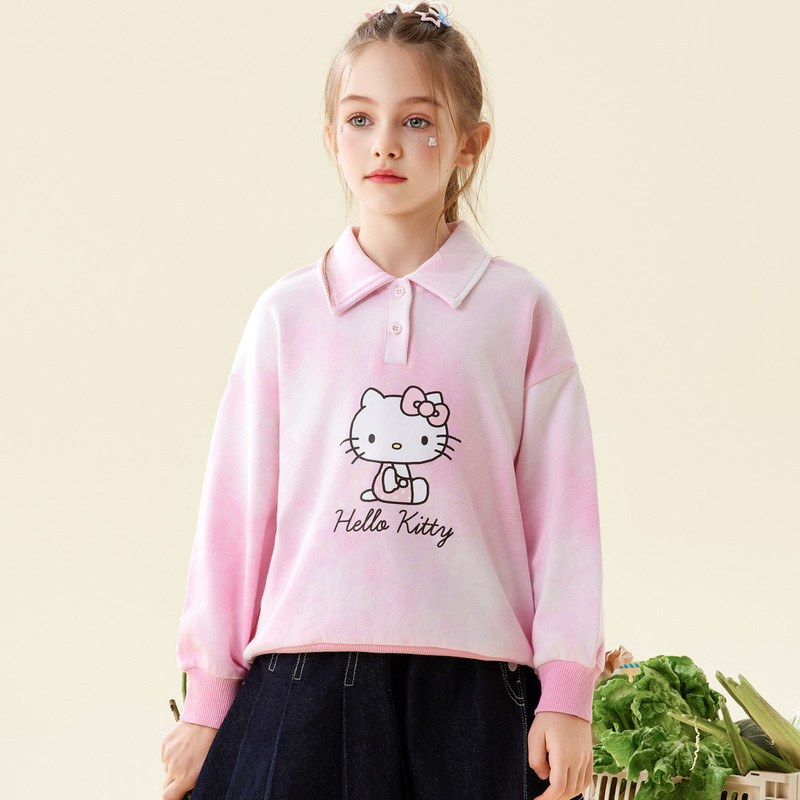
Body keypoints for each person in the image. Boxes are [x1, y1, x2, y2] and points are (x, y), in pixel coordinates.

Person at [160, 3, 604, 799]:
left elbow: (563, 520)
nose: (385, 143)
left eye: (417, 120)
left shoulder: (519, 312)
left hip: (474, 691)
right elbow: (234, 517)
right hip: (300, 684)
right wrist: (207, 699)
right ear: (332, 138)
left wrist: (567, 692)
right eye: (360, 118)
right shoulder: (287, 316)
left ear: (471, 143)